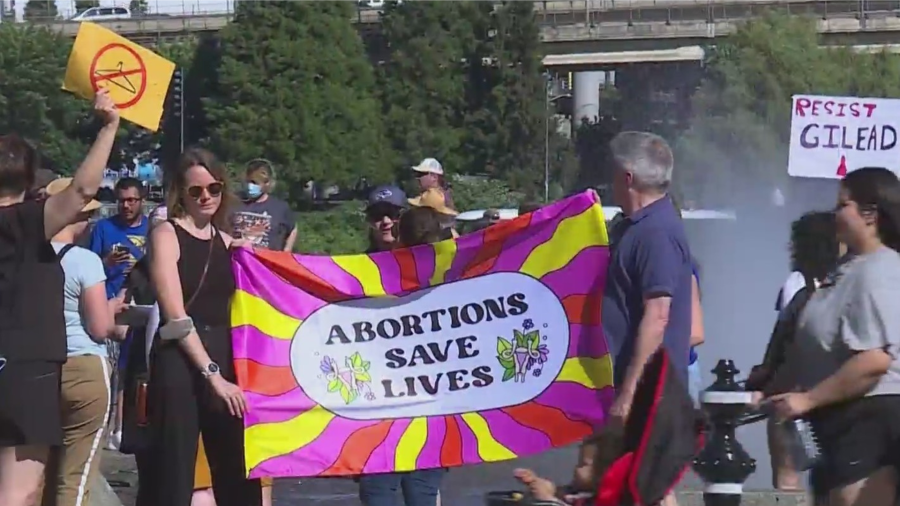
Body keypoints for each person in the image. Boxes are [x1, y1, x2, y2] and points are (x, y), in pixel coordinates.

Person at [513, 131, 694, 503]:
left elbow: (657, 316)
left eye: (613, 173)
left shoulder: (656, 233)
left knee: (647, 489)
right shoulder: (634, 227)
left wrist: (628, 395)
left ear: (627, 177)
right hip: (636, 388)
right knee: (629, 486)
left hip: (649, 391)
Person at [0, 89, 118, 506]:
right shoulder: (25, 222)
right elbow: (84, 188)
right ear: (31, 182)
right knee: (19, 493)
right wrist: (109, 127)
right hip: (24, 369)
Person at [765, 167, 900, 506]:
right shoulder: (848, 269)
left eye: (843, 205)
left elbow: (874, 361)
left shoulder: (879, 270)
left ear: (870, 215)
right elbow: (814, 344)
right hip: (840, 426)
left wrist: (807, 400)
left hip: (870, 423)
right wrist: (769, 390)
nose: (835, 214)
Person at [147, 147, 261, 506]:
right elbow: (176, 318)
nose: (206, 197)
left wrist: (253, 259)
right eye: (195, 191)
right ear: (180, 192)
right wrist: (213, 376)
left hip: (225, 360)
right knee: (173, 474)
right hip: (180, 363)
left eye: (213, 188)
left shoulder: (228, 244)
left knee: (238, 470)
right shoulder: (165, 234)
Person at [40, 178, 124, 506]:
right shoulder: (85, 261)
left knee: (36, 470)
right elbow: (101, 327)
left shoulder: (23, 258)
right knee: (75, 474)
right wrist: (113, 308)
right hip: (83, 367)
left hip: (37, 367)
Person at [358, 194, 445, 506]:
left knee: (421, 491)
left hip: (426, 410)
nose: (385, 222)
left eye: (392, 215)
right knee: (378, 493)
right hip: (380, 411)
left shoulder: (446, 273)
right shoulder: (358, 269)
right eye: (378, 215)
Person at [746, 212, 841, 491]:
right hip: (830, 398)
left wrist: (764, 386)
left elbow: (784, 348)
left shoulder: (801, 291)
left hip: (799, 398)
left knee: (789, 473)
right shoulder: (832, 289)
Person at [89, 176, 150, 450]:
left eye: (132, 200)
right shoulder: (103, 228)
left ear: (141, 201)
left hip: (142, 307)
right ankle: (111, 427)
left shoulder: (154, 229)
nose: (126, 206)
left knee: (136, 370)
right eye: (122, 200)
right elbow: (87, 269)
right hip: (109, 307)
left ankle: (128, 427)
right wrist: (106, 261)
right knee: (114, 371)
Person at [232, 159, 297, 252]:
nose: (250, 186)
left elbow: (292, 228)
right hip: (239, 261)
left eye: (255, 182)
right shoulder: (234, 202)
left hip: (266, 263)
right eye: (248, 181)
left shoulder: (280, 208)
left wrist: (287, 250)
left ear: (267, 183)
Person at [365, 185, 407, 253]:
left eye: (393, 214)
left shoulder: (420, 259)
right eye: (377, 215)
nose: (385, 221)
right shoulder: (360, 262)